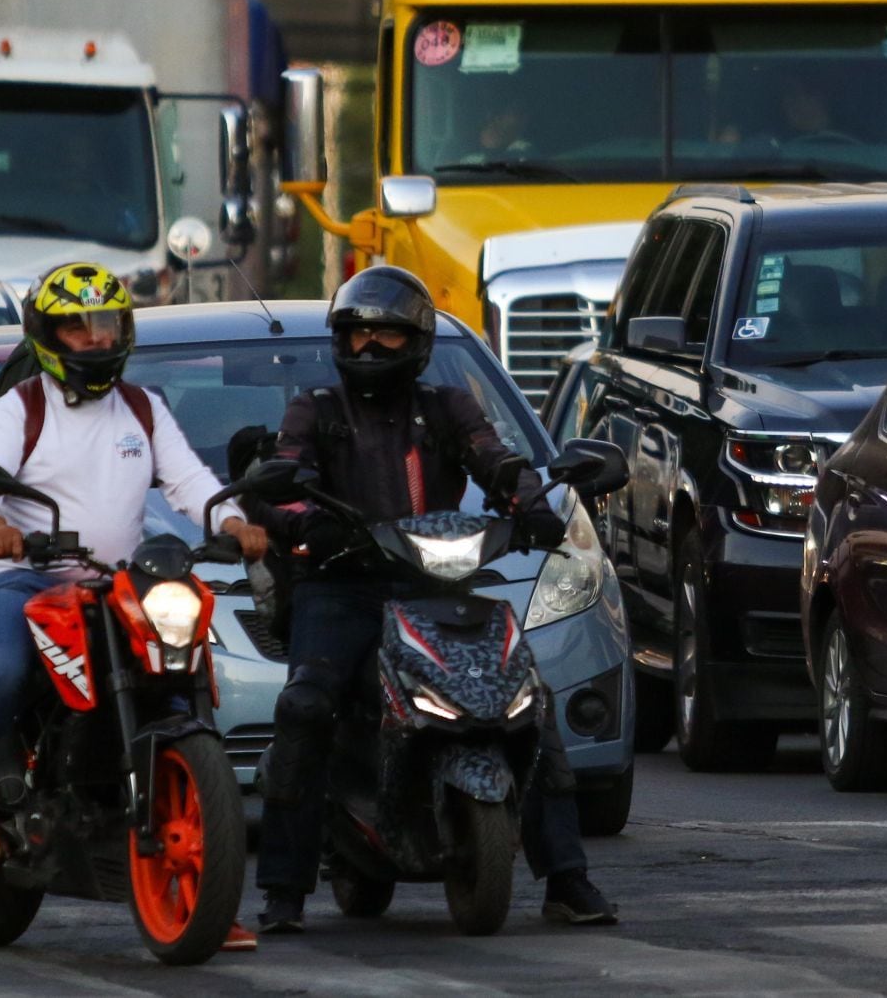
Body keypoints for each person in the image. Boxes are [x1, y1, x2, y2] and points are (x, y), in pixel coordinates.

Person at [249, 266, 617, 934]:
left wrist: (532, 507)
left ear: (416, 342)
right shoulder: (317, 410)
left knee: (528, 697)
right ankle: (284, 889)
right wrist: (306, 517)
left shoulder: (449, 405)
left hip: (434, 580)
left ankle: (567, 876)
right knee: (305, 704)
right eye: (357, 336)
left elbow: (498, 461)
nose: (369, 350)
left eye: (387, 336)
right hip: (341, 585)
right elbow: (283, 480)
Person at [0, 262, 268, 877]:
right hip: (27, 578)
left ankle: (208, 876)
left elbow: (190, 480)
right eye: (80, 328)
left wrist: (231, 523)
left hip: (121, 583)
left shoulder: (143, 409)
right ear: (47, 333)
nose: (97, 339)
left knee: (179, 681)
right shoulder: (19, 409)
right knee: (5, 668)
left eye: (107, 325)